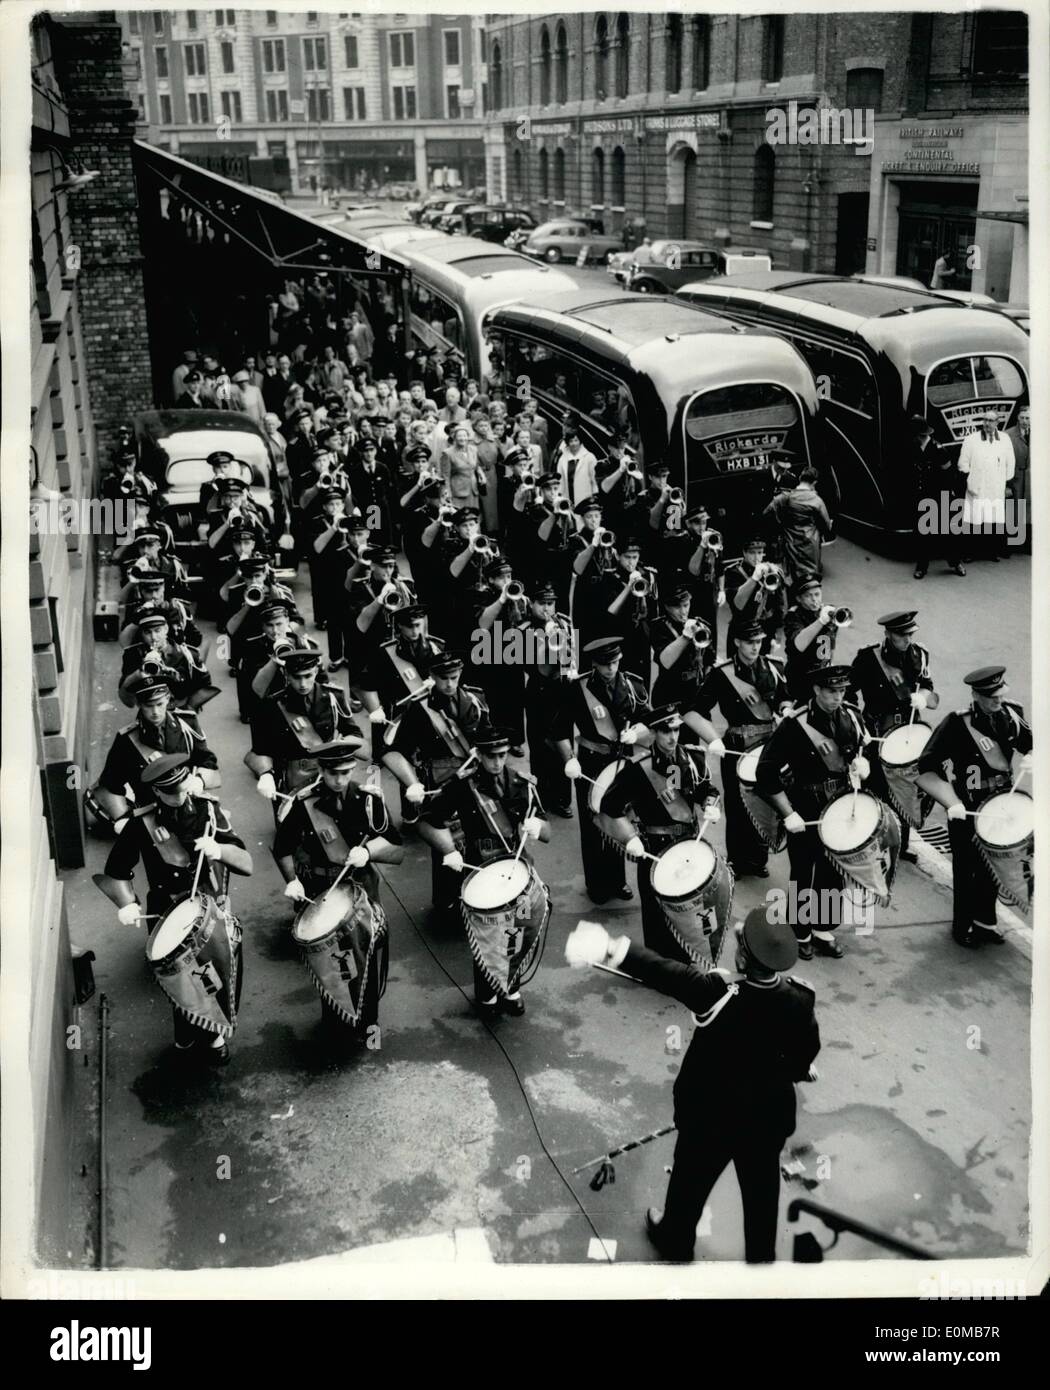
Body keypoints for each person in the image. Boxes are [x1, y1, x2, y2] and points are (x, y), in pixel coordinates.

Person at [564, 905, 820, 1263]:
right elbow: (804, 1055)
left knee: (689, 1186)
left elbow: (664, 972)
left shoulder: (718, 991)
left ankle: (675, 1241)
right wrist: (796, 1068)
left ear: (743, 956)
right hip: (766, 1120)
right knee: (762, 1195)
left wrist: (610, 947)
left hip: (711, 1118)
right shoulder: (800, 999)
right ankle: (761, 1261)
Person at [95, 754, 252, 1065]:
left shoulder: (207, 809)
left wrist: (219, 849)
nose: (179, 797)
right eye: (170, 793)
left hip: (208, 904)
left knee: (216, 971)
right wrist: (128, 904)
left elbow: (245, 862)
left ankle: (216, 1033)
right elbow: (117, 869)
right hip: (167, 909)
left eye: (182, 788)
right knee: (178, 976)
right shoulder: (143, 822)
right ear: (156, 792)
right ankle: (186, 1031)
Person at [274, 738, 403, 1042]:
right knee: (330, 959)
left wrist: (370, 852)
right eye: (333, 773)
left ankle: (369, 1025)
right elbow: (283, 848)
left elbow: (396, 848)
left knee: (366, 956)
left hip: (360, 888)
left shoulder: (368, 800)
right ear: (320, 769)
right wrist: (291, 880)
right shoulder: (302, 803)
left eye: (346, 772)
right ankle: (336, 1024)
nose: (340, 780)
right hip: (321, 889)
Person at [419, 727, 550, 1018]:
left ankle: (511, 986)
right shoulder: (462, 786)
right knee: (489, 933)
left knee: (521, 924)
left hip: (518, 867)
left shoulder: (521, 783)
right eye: (491, 756)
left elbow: (546, 828)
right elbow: (428, 821)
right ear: (478, 755)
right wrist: (449, 850)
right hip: (480, 865)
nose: (498, 762)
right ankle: (487, 994)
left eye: (502, 755)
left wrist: (537, 828)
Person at [755, 666, 872, 961]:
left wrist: (862, 764)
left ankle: (823, 928)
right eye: (831, 691)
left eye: (841, 691)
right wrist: (787, 812)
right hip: (806, 806)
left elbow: (860, 749)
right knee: (804, 870)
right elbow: (765, 772)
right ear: (817, 691)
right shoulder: (795, 725)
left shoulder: (852, 717)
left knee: (834, 868)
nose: (837, 697)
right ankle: (801, 931)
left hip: (842, 804)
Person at [916, 665, 1032, 949]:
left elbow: (1030, 743)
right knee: (967, 869)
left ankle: (985, 921)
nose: (998, 700)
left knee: (994, 863)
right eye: (991, 696)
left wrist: (1034, 756)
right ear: (976, 695)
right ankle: (963, 925)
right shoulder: (957, 723)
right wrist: (951, 802)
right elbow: (926, 767)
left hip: (1000, 803)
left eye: (1000, 694)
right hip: (966, 806)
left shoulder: (1011, 712)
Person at [599, 703, 721, 963]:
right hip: (654, 847)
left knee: (689, 904)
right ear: (654, 732)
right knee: (656, 913)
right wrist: (629, 838)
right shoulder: (637, 768)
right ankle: (659, 966)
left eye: (676, 730)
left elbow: (706, 790)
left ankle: (687, 959)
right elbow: (609, 807)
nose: (672, 737)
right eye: (665, 731)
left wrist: (710, 805)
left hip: (689, 843)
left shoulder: (691, 758)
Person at [686, 619, 793, 879]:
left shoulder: (774, 667)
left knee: (766, 800)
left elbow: (785, 698)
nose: (755, 647)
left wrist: (785, 709)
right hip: (737, 745)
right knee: (736, 806)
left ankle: (758, 859)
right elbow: (694, 711)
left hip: (768, 746)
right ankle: (736, 860)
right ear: (737, 642)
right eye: (749, 642)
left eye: (758, 642)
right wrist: (713, 739)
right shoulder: (722, 674)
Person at [556, 635, 650, 904]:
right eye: (605, 664)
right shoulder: (578, 688)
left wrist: (638, 732)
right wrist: (569, 759)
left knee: (619, 817)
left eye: (616, 662)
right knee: (593, 821)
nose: (611, 669)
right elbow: (559, 730)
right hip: (591, 763)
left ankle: (618, 881)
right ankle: (596, 883)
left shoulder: (632, 684)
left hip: (621, 761)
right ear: (595, 664)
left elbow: (650, 719)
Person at [849, 611, 939, 864]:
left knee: (907, 785)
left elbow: (930, 689)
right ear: (888, 634)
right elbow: (848, 692)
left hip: (909, 731)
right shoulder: (869, 658)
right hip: (878, 730)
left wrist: (924, 698)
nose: (907, 639)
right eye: (902, 635)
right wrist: (859, 723)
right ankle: (873, 842)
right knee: (879, 787)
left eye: (910, 634)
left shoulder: (919, 654)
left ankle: (900, 843)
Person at [91, 672, 220, 826]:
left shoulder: (187, 723)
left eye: (159, 704)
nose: (155, 712)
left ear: (168, 699)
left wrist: (199, 781)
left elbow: (207, 761)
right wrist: (123, 819)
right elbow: (109, 784)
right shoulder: (127, 740)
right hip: (153, 818)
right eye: (148, 706)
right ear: (139, 704)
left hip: (190, 806)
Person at [245, 647, 362, 803]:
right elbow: (261, 747)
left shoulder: (334, 697)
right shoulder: (274, 704)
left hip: (330, 771)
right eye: (296, 677)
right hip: (292, 777)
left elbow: (353, 732)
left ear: (315, 672)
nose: (302, 684)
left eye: (308, 676)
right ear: (287, 675)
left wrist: (341, 745)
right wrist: (266, 774)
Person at [910, 415, 965, 579]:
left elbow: (949, 474)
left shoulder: (938, 449)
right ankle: (921, 567)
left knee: (947, 532)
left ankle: (956, 563)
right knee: (923, 533)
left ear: (921, 435)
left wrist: (947, 498)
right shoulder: (913, 446)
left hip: (940, 495)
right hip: (922, 496)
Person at [762, 466, 833, 589]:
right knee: (810, 580)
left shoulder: (785, 497)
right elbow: (826, 526)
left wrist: (781, 524)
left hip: (790, 543)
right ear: (814, 483)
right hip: (810, 546)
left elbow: (767, 513)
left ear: (800, 479)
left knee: (793, 578)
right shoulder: (817, 500)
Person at [957, 411, 1015, 561]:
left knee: (992, 520)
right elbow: (963, 462)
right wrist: (970, 479)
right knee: (974, 520)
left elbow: (1011, 462)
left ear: (997, 422)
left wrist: (1006, 482)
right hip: (977, 486)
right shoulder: (971, 439)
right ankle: (970, 553)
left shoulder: (1005, 439)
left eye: (991, 421)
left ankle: (991, 552)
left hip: (995, 487)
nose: (987, 424)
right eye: (985, 420)